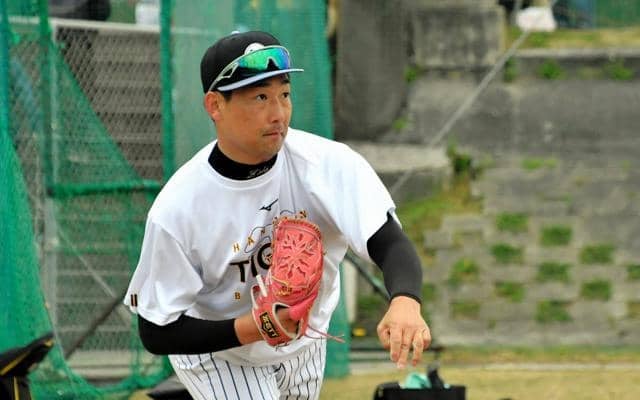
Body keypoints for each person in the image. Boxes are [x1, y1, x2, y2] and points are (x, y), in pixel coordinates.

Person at [123, 30, 431, 400]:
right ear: (215, 106)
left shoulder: (326, 165)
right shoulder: (180, 207)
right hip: (222, 356)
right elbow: (156, 331)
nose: (278, 113)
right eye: (260, 97)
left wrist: (405, 300)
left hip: (305, 345)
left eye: (284, 94)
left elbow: (390, 242)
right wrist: (255, 327)